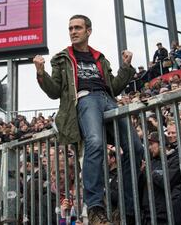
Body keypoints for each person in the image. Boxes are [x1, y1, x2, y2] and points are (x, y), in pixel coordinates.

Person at [34, 14, 143, 224]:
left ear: (88, 31)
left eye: (77, 28)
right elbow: (55, 91)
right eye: (70, 28)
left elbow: (115, 87)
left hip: (107, 100)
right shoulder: (61, 58)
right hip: (85, 100)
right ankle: (95, 208)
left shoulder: (100, 58)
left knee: (136, 148)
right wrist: (41, 73)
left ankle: (127, 209)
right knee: (94, 142)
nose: (73, 32)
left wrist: (127, 67)